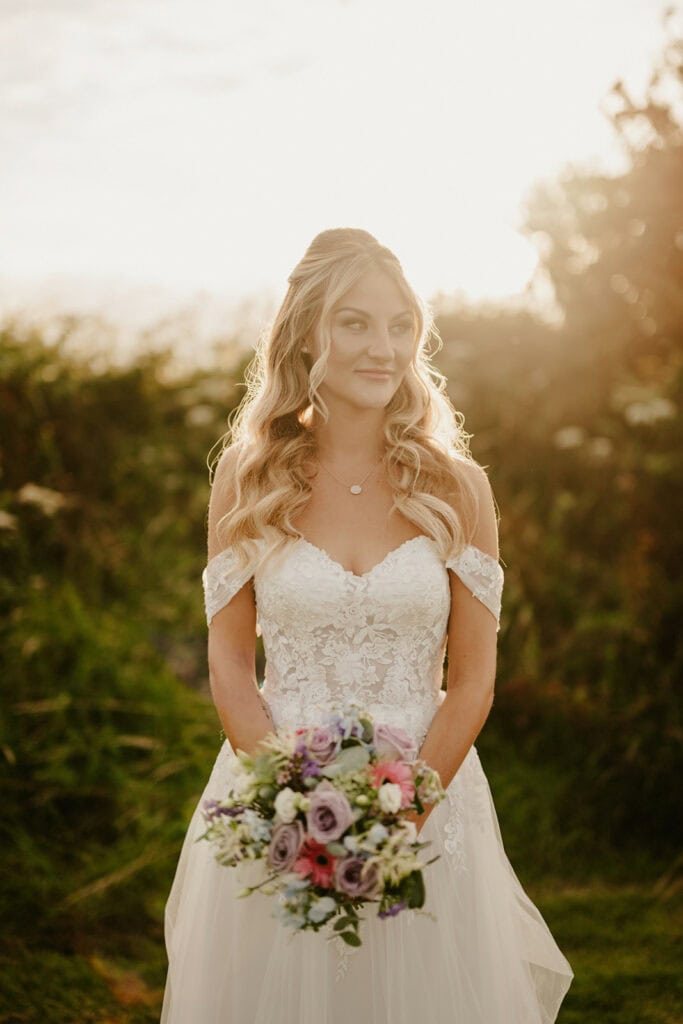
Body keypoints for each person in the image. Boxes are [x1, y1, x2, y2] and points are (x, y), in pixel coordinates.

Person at [160, 228, 573, 1023]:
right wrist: (293, 803)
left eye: (398, 324)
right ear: (306, 333)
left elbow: (474, 679)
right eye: (354, 323)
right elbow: (230, 667)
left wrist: (401, 815)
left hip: (430, 792)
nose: (382, 347)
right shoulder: (247, 480)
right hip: (277, 797)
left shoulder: (457, 486)